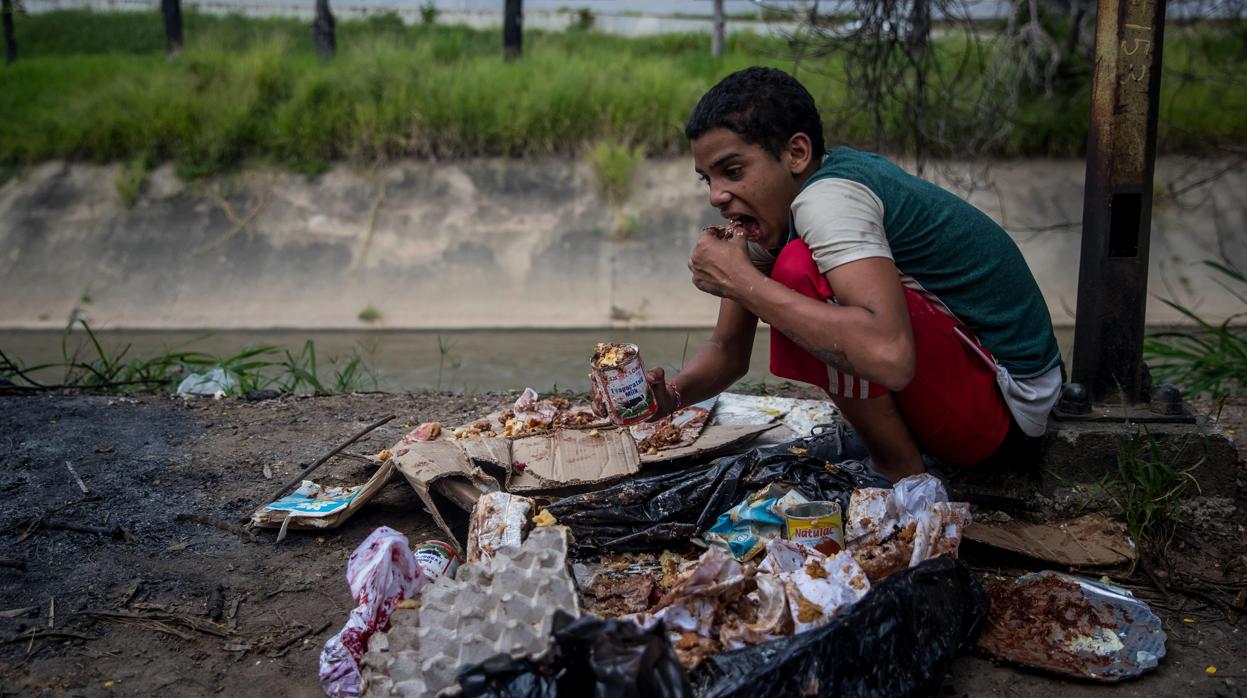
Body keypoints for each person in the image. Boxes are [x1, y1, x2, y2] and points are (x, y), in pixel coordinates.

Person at [637, 66, 1063, 482]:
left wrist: (742, 281)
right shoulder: (778, 211)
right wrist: (670, 398)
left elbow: (890, 357)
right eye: (706, 179)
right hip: (967, 392)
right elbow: (727, 350)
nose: (716, 196)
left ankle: (897, 468)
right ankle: (894, 449)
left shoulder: (829, 201)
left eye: (733, 172)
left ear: (796, 154)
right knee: (785, 272)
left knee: (796, 269)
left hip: (1006, 415)